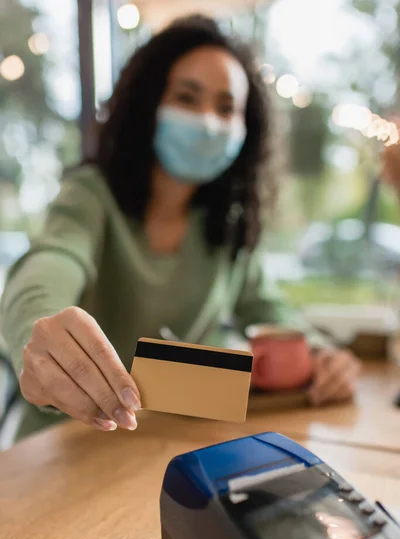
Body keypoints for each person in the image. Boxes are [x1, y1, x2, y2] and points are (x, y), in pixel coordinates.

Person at [0, 16, 360, 440]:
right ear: (148, 105)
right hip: (67, 442)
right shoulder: (91, 196)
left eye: (227, 108)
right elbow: (51, 261)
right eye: (187, 98)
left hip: (168, 441)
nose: (208, 121)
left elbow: (265, 307)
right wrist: (39, 325)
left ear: (248, 131)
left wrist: (320, 351)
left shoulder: (226, 227)